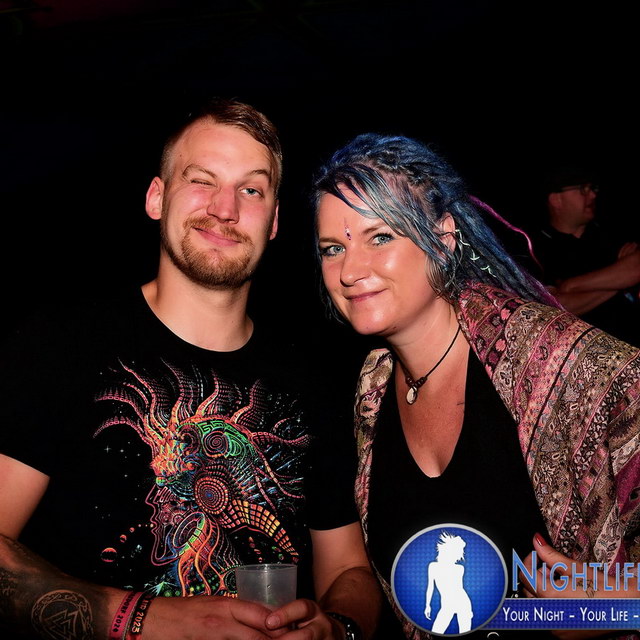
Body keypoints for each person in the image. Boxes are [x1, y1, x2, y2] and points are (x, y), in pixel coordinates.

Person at [0, 99, 380, 640]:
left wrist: (337, 628)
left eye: (252, 190)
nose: (225, 209)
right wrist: (141, 619)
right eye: (202, 180)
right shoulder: (60, 344)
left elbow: (349, 570)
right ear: (157, 197)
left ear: (274, 221)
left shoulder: (313, 382)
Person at [312, 133, 640, 639]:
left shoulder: (568, 367)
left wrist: (614, 606)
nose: (350, 271)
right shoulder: (370, 391)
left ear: (443, 237)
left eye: (380, 237)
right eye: (334, 248)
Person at [532, 166, 640, 346]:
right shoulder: (537, 248)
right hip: (583, 353)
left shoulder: (609, 232)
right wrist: (619, 282)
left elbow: (636, 267)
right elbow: (555, 306)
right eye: (583, 189)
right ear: (556, 200)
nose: (592, 195)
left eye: (592, 188)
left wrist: (571, 285)